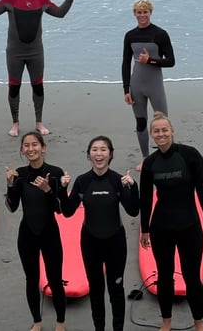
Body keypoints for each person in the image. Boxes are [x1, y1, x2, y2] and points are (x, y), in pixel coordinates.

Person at [139, 111, 203, 331]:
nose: (161, 134)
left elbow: (202, 188)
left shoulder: (190, 155)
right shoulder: (150, 163)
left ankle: (199, 324)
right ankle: (166, 323)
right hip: (161, 227)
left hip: (189, 226)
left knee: (192, 278)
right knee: (164, 277)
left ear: (172, 131)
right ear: (152, 135)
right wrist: (145, 229)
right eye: (157, 131)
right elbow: (145, 198)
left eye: (165, 130)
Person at [0, 0, 78, 137]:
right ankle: (15, 123)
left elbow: (60, 13)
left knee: (38, 87)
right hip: (15, 52)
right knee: (14, 87)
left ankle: (39, 122)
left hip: (35, 52)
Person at [62, 136, 139, 331]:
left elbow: (133, 210)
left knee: (116, 290)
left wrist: (133, 187)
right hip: (90, 243)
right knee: (96, 291)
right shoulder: (82, 181)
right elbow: (68, 211)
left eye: (103, 149)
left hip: (115, 243)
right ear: (89, 155)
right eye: (94, 150)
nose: (99, 154)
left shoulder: (118, 180)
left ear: (110, 154)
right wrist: (62, 190)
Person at [5, 132, 70, 331]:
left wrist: (48, 190)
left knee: (54, 278)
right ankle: (37, 321)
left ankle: (60, 322)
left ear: (44, 147)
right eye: (26, 145)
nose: (31, 148)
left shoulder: (56, 172)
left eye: (35, 144)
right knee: (31, 279)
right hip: (27, 235)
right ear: (22, 150)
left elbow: (61, 209)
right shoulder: (20, 174)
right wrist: (9, 185)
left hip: (50, 233)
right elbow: (12, 207)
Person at [122, 0, 176, 171]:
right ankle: (145, 158)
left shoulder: (160, 34)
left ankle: (168, 157)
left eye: (145, 12)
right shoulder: (130, 35)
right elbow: (125, 63)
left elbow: (171, 61)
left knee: (163, 121)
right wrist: (126, 89)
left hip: (155, 84)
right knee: (140, 121)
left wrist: (151, 60)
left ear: (150, 13)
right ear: (135, 14)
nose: (142, 15)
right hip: (136, 84)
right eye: (139, 12)